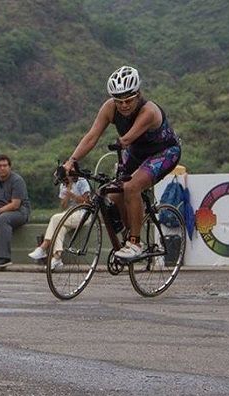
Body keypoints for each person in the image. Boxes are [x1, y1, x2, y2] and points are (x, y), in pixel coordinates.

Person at [62, 66, 181, 260]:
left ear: (138, 94)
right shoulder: (109, 107)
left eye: (128, 100)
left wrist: (120, 144)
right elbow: (92, 136)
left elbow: (126, 139)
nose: (124, 105)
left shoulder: (148, 111)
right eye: (119, 101)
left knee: (131, 187)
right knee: (115, 193)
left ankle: (135, 242)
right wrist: (71, 161)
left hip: (164, 152)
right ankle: (129, 233)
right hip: (136, 151)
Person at [28, 174, 91, 270]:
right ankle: (57, 257)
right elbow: (63, 206)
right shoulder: (63, 185)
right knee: (60, 228)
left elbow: (87, 202)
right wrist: (67, 191)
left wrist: (73, 195)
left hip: (83, 214)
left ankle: (43, 246)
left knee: (55, 218)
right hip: (68, 214)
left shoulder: (82, 181)